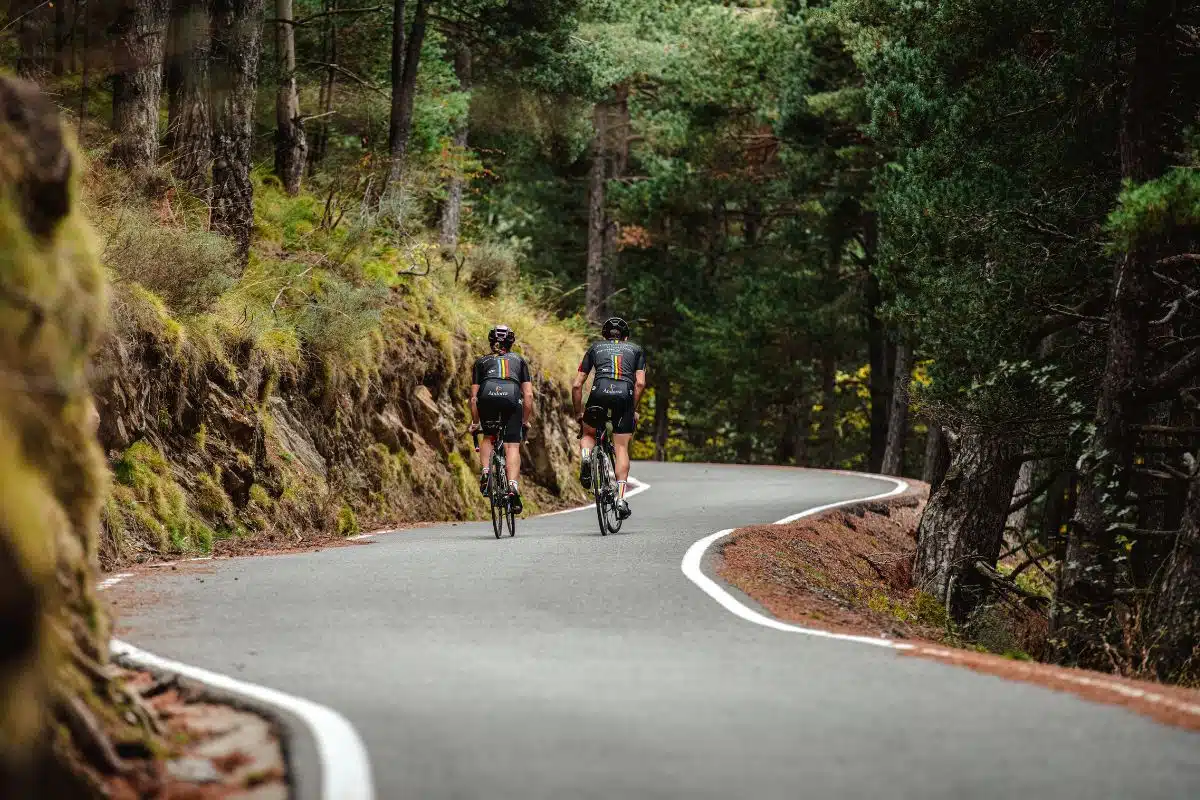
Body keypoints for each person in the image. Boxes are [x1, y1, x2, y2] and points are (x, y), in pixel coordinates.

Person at [572, 317, 647, 520]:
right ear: (626, 337)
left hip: (599, 392)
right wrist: (632, 409)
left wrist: (579, 413)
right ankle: (621, 499)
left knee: (588, 432)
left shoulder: (595, 348)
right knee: (621, 447)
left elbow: (577, 385)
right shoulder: (636, 350)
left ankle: (587, 456)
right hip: (624, 395)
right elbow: (640, 383)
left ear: (604, 335)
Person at [469, 324, 533, 514]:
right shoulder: (519, 361)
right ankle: (512, 485)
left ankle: (487, 472)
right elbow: (528, 396)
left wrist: (475, 422)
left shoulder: (481, 362)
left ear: (491, 342)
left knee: (488, 437)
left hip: (487, 396)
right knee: (512, 446)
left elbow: (474, 398)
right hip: (512, 397)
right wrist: (525, 421)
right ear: (511, 342)